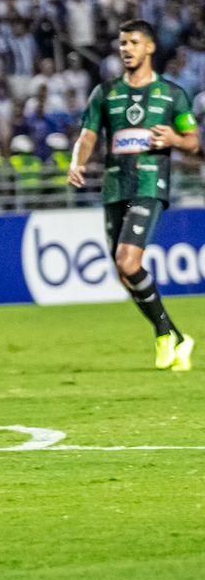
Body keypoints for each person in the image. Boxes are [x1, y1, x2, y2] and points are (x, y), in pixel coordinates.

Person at [68, 20, 200, 370]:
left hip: (149, 185)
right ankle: (177, 337)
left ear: (150, 47)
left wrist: (174, 139)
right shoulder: (105, 93)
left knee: (128, 262)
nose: (126, 49)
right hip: (115, 186)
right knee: (124, 272)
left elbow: (193, 142)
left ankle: (163, 334)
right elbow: (88, 135)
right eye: (122, 43)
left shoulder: (172, 94)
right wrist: (78, 162)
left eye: (133, 42)